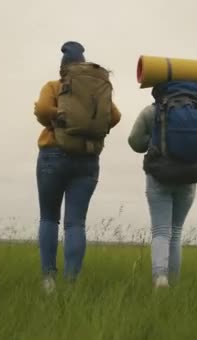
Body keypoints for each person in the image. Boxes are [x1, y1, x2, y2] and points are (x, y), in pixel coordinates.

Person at [33, 41, 121, 292]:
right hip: (88, 158)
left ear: (63, 68)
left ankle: (48, 279)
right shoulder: (95, 90)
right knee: (75, 223)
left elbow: (41, 110)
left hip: (52, 155)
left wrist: (58, 117)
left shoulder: (54, 86)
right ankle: (72, 282)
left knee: (49, 218)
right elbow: (114, 117)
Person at [128, 81, 197, 288]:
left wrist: (154, 140)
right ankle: (173, 282)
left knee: (160, 231)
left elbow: (134, 141)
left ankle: (160, 278)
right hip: (188, 178)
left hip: (159, 176)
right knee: (176, 232)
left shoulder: (151, 112)